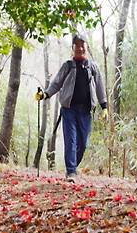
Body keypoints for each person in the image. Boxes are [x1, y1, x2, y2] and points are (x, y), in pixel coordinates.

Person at [35, 33, 108, 181]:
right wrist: (45, 95)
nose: (80, 48)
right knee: (71, 140)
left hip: (86, 111)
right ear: (73, 48)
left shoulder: (93, 67)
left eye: (82, 45)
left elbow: (100, 86)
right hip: (69, 110)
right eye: (77, 45)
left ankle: (73, 166)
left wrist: (104, 106)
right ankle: (71, 171)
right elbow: (56, 83)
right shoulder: (67, 66)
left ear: (86, 47)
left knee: (83, 143)